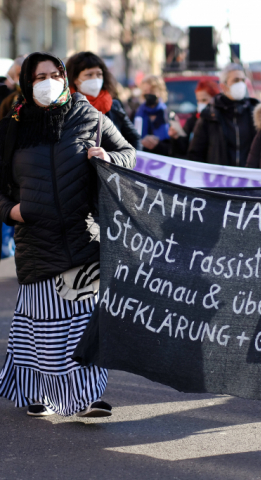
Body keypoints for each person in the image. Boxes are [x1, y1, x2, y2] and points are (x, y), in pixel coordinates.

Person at [0, 52, 136, 418]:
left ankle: (85, 398)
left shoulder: (90, 116)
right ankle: (38, 392)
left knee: (83, 327)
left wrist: (108, 158)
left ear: (65, 77)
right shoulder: (12, 127)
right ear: (28, 84)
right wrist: (11, 212)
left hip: (83, 239)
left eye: (55, 73)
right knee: (42, 329)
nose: (48, 81)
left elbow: (129, 153)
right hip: (36, 243)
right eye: (39, 76)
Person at [66, 51, 141, 150]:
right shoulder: (66, 108)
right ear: (75, 79)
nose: (95, 79)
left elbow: (134, 138)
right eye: (89, 75)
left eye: (99, 74)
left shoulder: (114, 105)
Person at [187, 63, 259, 166]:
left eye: (243, 80)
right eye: (236, 80)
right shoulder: (210, 114)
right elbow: (196, 153)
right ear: (223, 86)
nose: (241, 84)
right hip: (218, 180)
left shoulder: (254, 112)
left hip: (248, 178)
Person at [168, 79, 220, 159]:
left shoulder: (220, 120)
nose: (200, 104)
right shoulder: (193, 119)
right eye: (198, 100)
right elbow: (183, 148)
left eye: (204, 100)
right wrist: (176, 138)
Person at [134, 75, 170, 154]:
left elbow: (171, 146)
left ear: (160, 92)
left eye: (152, 91)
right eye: (145, 91)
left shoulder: (167, 114)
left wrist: (157, 145)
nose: (148, 94)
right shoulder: (136, 113)